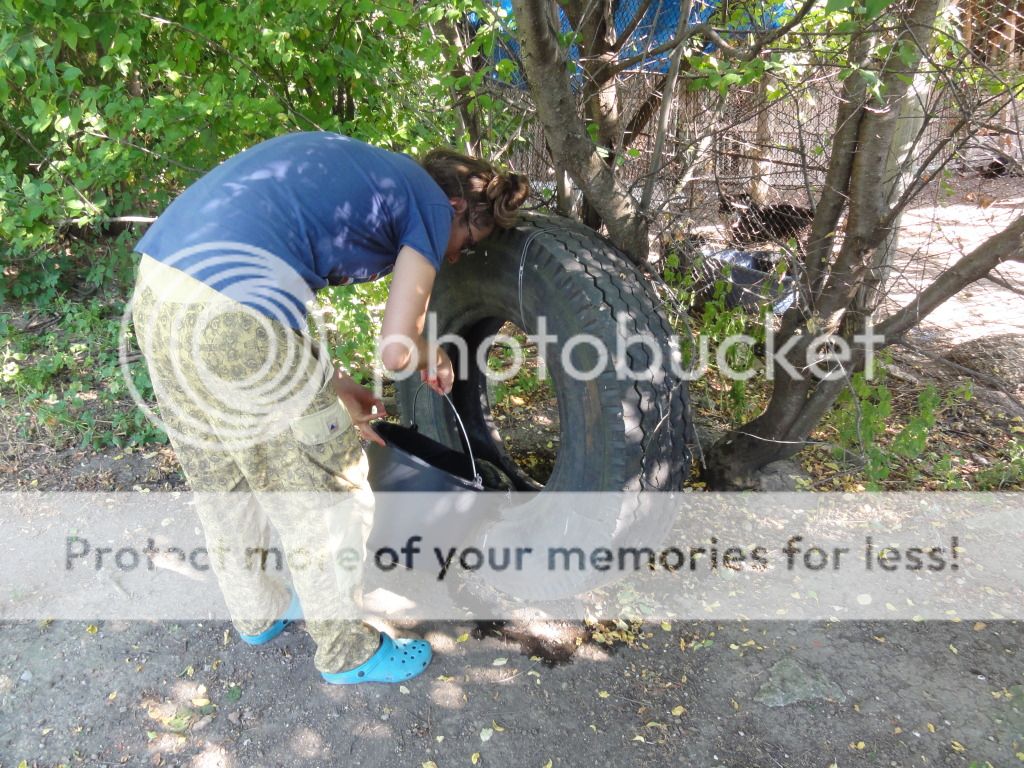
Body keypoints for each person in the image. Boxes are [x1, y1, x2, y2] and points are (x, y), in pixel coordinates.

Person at [130, 131, 529, 684]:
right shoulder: (430, 203)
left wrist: (335, 383)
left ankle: (260, 610)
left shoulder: (363, 176)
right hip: (233, 313)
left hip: (161, 291)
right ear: (457, 205)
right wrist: (429, 349)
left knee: (223, 470)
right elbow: (396, 348)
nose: (457, 252)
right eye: (466, 236)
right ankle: (349, 651)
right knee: (327, 485)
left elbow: (276, 294)